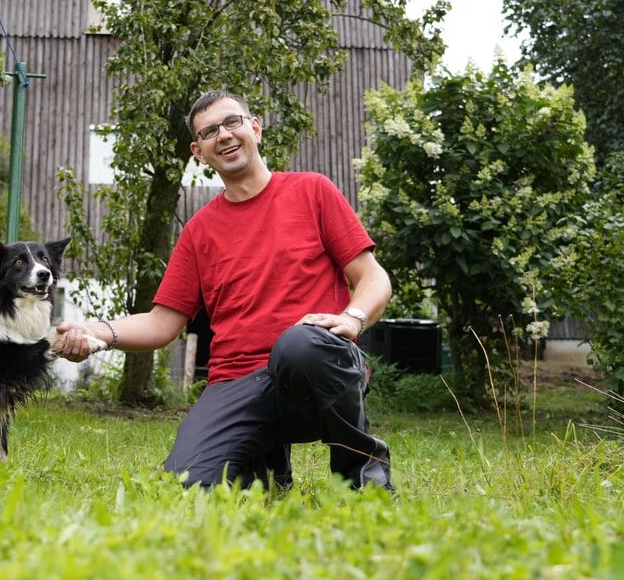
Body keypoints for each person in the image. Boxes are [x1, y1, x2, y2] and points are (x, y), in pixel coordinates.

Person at [53, 90, 393, 491]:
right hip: (236, 381)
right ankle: (269, 469)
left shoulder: (312, 192)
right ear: (199, 153)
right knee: (185, 486)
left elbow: (373, 276)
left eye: (232, 122)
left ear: (255, 127)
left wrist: (352, 318)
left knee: (298, 346)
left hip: (316, 364)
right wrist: (98, 332)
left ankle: (363, 481)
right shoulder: (199, 231)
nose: (225, 135)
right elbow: (162, 322)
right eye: (210, 131)